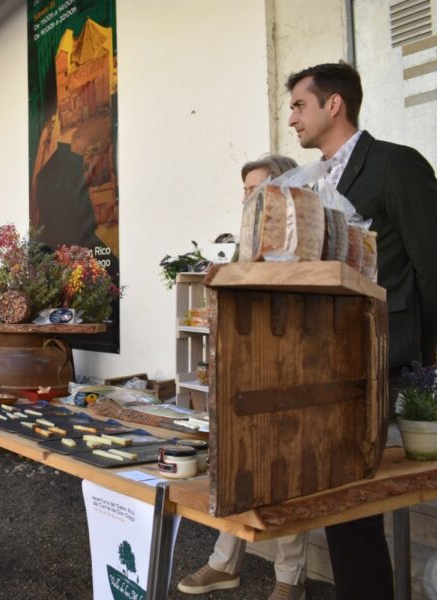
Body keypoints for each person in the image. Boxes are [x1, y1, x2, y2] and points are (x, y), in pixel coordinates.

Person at [286, 61, 437, 600]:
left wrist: (427, 363)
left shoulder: (396, 165)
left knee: (351, 498)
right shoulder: (306, 181)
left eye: (299, 105)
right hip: (325, 357)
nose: (291, 119)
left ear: (334, 105)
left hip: (387, 354)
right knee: (340, 496)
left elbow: (431, 263)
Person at [178, 155, 308, 600]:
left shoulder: (303, 236)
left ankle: (291, 579)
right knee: (235, 467)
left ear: (282, 190)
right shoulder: (248, 241)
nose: (247, 197)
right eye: (245, 190)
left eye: (256, 188)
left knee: (284, 473)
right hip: (245, 370)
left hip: (291, 369)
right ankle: (224, 564)